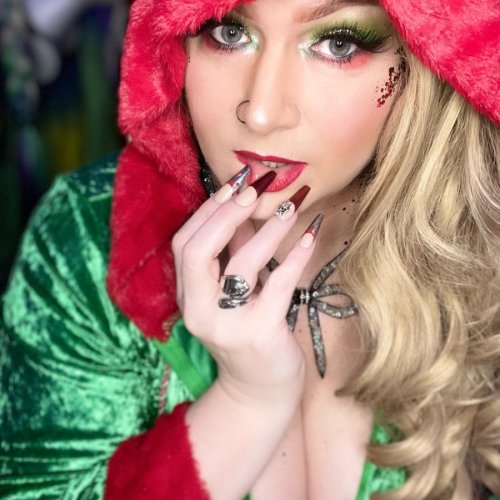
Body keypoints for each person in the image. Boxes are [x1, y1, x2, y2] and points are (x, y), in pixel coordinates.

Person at [1, 0, 499, 498]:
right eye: (229, 34)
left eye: (337, 44)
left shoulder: (486, 248)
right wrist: (246, 401)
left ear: (424, 57)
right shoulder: (92, 235)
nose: (260, 113)